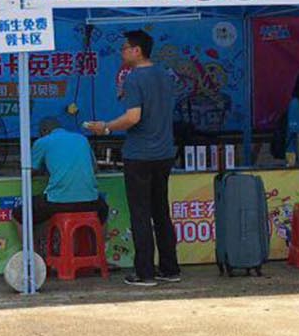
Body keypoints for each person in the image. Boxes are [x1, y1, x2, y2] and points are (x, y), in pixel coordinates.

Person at [86, 30, 179, 287]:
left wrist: (106, 127)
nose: (122, 52)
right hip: (164, 153)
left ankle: (145, 272)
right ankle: (170, 268)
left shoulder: (134, 78)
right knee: (161, 211)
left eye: (125, 48)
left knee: (140, 213)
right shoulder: (165, 75)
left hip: (140, 154)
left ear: (137, 50)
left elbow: (133, 117)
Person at [11, 119, 108, 225]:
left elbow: (29, 172)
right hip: (91, 201)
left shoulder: (42, 142)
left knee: (18, 215)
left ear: (44, 131)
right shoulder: (82, 139)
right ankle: (100, 236)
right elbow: (94, 168)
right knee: (103, 213)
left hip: (57, 202)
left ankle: (33, 237)